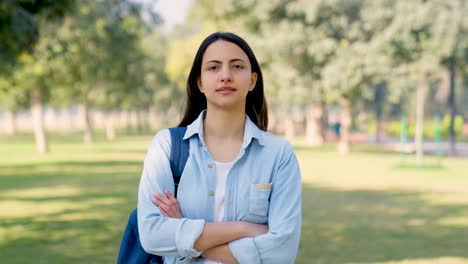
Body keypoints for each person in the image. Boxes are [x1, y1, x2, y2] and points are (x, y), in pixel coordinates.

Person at [137, 32, 302, 264]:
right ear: (200, 82)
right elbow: (152, 235)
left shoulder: (279, 155)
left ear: (252, 80)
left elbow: (281, 254)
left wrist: (183, 229)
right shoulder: (166, 146)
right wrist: (243, 228)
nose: (225, 76)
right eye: (213, 68)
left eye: (236, 66)